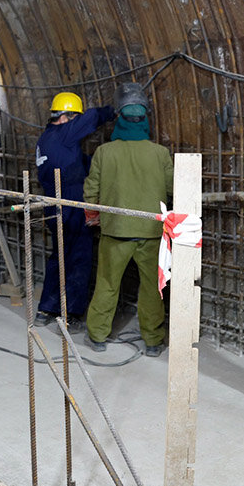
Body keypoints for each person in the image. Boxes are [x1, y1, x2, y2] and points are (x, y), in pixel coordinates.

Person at [83, 83, 173, 355]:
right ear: (145, 119)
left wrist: (94, 216)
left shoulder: (104, 152)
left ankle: (97, 335)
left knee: (108, 285)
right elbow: (172, 189)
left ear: (119, 118)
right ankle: (153, 341)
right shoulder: (160, 153)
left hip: (115, 232)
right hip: (151, 234)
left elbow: (91, 191)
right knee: (151, 289)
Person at [33, 91, 115, 330]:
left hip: (53, 203)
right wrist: (110, 112)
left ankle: (46, 308)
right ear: (67, 116)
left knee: (59, 255)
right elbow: (91, 117)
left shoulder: (46, 139)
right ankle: (71, 315)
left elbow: (75, 163)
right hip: (70, 203)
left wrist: (95, 165)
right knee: (79, 257)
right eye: (74, 117)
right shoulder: (64, 133)